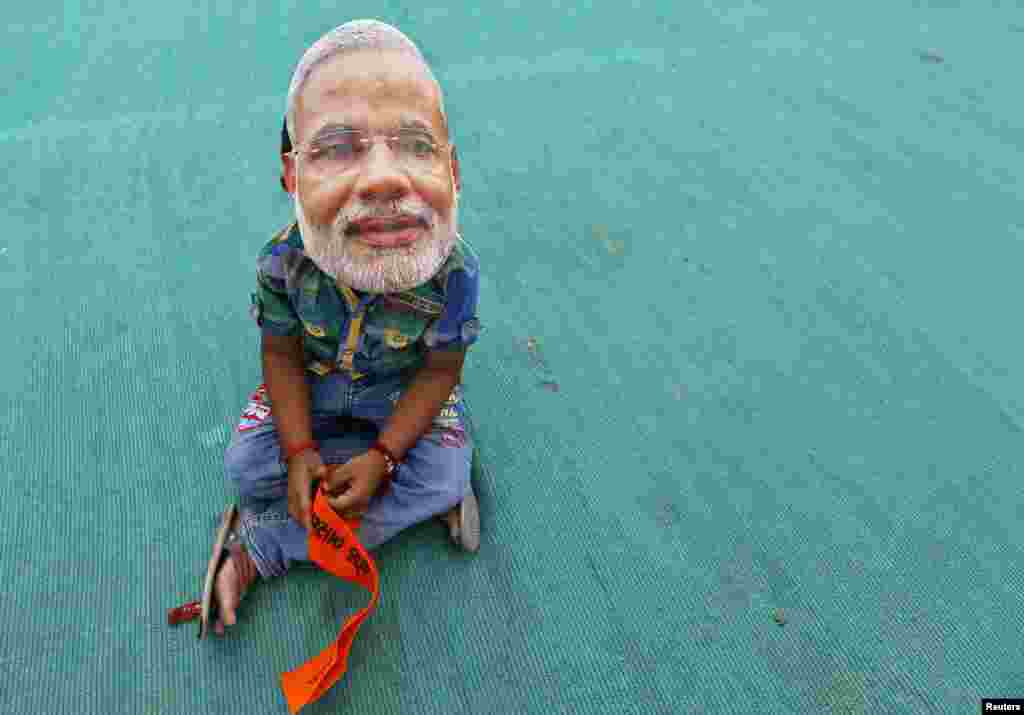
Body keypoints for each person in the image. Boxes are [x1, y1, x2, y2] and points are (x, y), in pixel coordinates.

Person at [208, 19, 482, 637]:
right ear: (292, 177)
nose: (386, 178)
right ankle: (348, 481)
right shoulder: (282, 263)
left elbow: (442, 370)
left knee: (443, 475)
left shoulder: (456, 273)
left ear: (453, 170)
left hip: (402, 394)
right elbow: (280, 357)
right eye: (338, 148)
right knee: (248, 467)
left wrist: (386, 458)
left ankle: (264, 546)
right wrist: (300, 450)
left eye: (417, 144)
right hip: (315, 384)